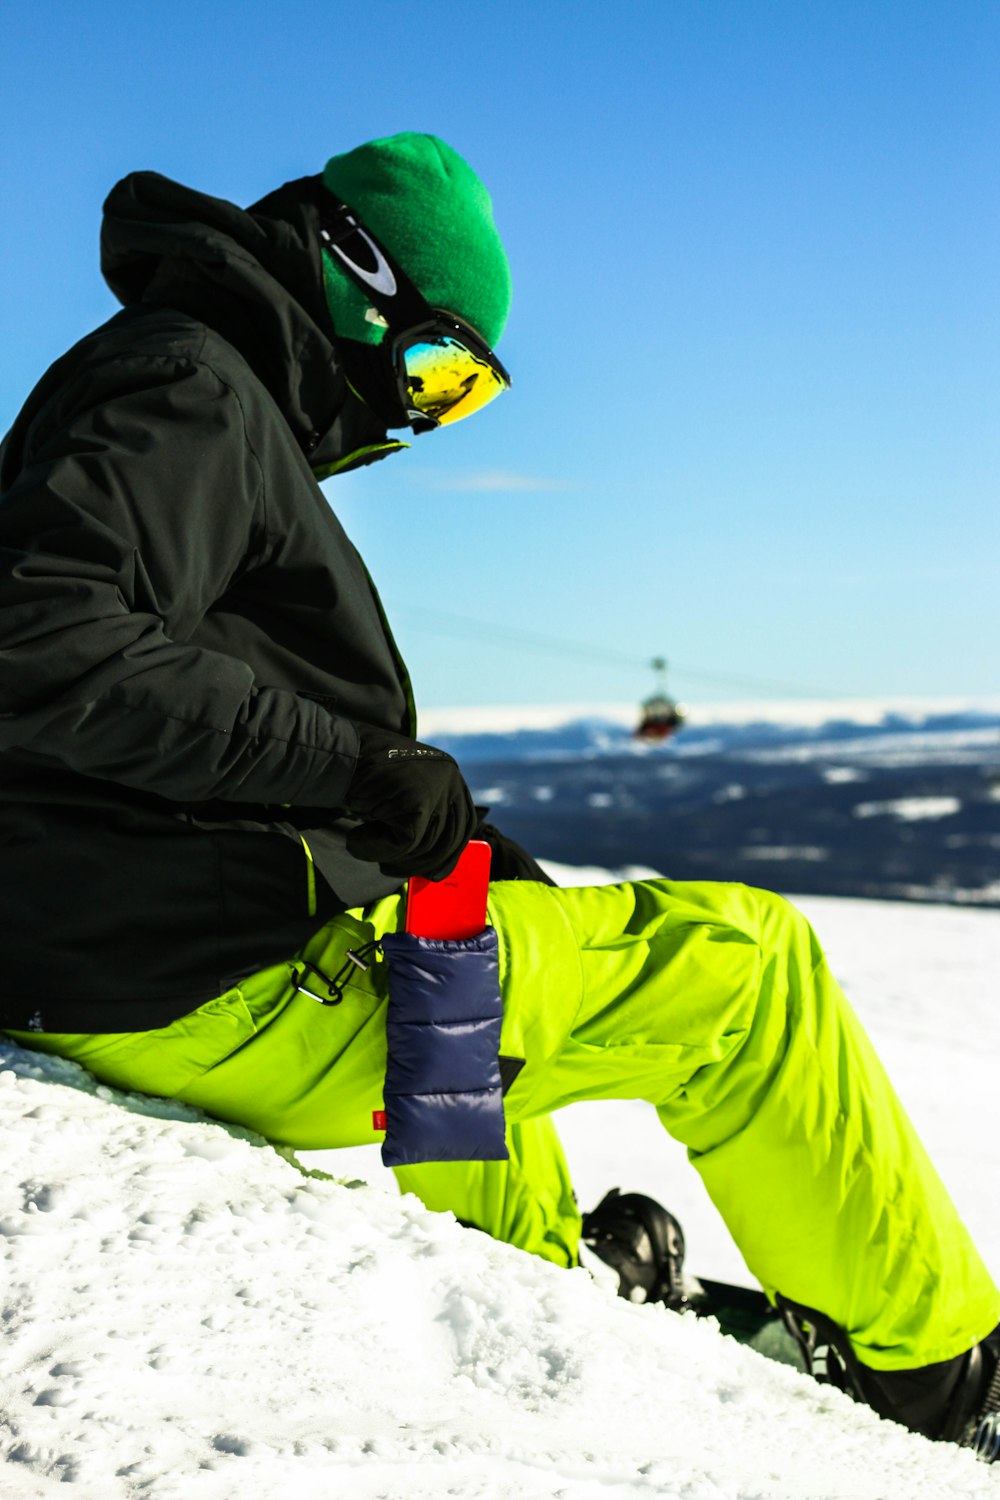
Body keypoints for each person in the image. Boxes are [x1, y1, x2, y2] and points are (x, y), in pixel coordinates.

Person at [0, 132, 997, 1455]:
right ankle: (942, 1374)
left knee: (463, 937)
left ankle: (534, 1270)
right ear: (348, 269)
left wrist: (452, 833)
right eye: (435, 367)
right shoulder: (192, 389)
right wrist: (354, 768)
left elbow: (186, 703)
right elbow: (39, 637)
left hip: (136, 970)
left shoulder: (195, 390)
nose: (419, 415)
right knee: (751, 975)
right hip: (209, 981)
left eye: (459, 395)